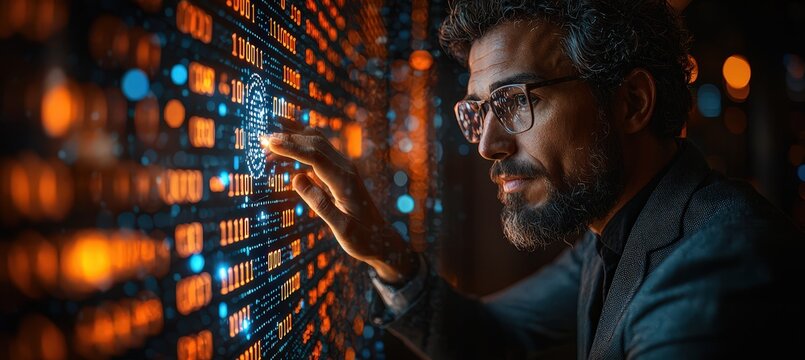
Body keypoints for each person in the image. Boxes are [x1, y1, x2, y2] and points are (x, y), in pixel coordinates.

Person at [266, 0, 804, 358]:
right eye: (478, 110)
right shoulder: (615, 230)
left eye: (517, 102)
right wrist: (388, 253)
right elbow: (495, 337)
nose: (487, 145)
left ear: (632, 102)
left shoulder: (718, 268)